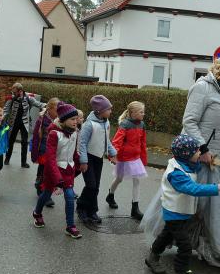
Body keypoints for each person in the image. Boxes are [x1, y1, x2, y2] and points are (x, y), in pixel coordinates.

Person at [145, 134, 220, 274]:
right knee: (185, 247)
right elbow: (192, 188)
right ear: (186, 154)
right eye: (196, 150)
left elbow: (196, 168)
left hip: (181, 213)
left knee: (165, 236)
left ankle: (152, 256)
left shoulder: (187, 164)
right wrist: (217, 187)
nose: (200, 152)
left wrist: (206, 161)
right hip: (174, 214)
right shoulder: (176, 173)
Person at [182, 54, 220, 267]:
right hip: (200, 156)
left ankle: (209, 247)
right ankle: (176, 240)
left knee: (215, 209)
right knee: (195, 205)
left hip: (219, 157)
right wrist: (203, 148)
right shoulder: (203, 87)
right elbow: (189, 121)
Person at [32, 101, 81, 239]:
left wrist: (81, 163)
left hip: (68, 171)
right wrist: (57, 177)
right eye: (72, 119)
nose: (75, 122)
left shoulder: (74, 133)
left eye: (76, 119)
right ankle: (37, 213)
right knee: (47, 194)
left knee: (70, 197)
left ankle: (70, 226)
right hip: (53, 171)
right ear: (64, 120)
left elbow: (74, 153)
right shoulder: (54, 134)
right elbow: (51, 158)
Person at [76, 95, 117, 224]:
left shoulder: (106, 122)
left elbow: (106, 140)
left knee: (96, 186)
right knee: (91, 185)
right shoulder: (89, 124)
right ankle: (81, 207)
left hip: (98, 158)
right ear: (100, 111)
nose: (111, 111)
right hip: (88, 158)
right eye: (108, 109)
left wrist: (113, 153)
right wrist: (83, 161)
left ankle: (92, 210)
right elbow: (81, 143)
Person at [105, 101, 148, 220]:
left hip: (136, 158)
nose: (143, 114)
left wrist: (143, 159)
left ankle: (135, 208)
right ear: (132, 113)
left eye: (143, 112)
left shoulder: (142, 125)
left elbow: (143, 143)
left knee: (137, 180)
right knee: (119, 179)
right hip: (124, 157)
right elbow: (116, 141)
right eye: (141, 112)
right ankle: (110, 195)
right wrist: (113, 155)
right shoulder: (124, 124)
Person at [3, 83, 45, 168]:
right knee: (11, 141)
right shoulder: (11, 99)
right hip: (13, 123)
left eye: (15, 92)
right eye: (13, 92)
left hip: (24, 123)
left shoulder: (28, 98)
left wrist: (47, 106)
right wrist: (1, 119)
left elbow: (38, 104)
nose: (13, 94)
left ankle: (23, 162)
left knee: (25, 142)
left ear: (21, 91)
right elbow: (6, 110)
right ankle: (7, 159)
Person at [31, 97, 59, 206]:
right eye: (57, 110)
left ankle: (41, 186)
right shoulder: (42, 120)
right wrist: (35, 153)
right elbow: (36, 137)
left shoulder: (59, 120)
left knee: (48, 172)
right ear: (50, 109)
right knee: (44, 171)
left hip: (54, 151)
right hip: (43, 150)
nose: (58, 113)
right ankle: (43, 192)